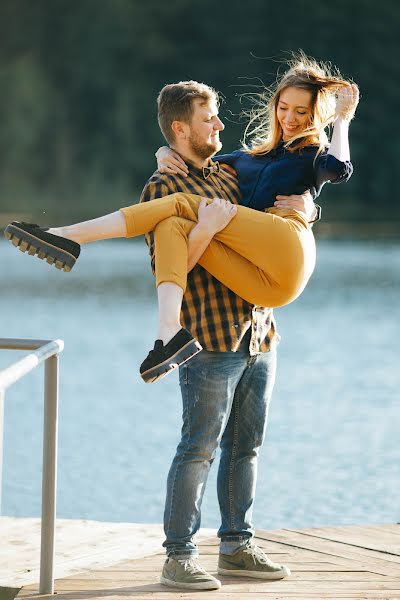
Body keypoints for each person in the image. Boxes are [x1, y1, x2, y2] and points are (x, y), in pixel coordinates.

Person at [4, 55, 357, 590]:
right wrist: (204, 228)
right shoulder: (161, 188)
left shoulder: (228, 171)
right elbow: (175, 268)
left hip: (259, 327)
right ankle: (179, 556)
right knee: (199, 447)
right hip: (211, 337)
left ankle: (238, 545)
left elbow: (302, 184)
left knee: (247, 446)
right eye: (208, 117)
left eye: (297, 110)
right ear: (180, 127)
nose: (220, 124)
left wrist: (308, 209)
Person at [4, 57, 358, 385]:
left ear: (315, 115)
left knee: (181, 204)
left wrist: (341, 121)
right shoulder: (244, 160)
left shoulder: (313, 156)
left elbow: (339, 169)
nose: (290, 117)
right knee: (171, 223)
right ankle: (168, 331)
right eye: (283, 108)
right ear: (274, 107)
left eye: (301, 111)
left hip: (290, 249)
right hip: (263, 283)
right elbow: (199, 158)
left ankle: (67, 236)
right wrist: (164, 151)